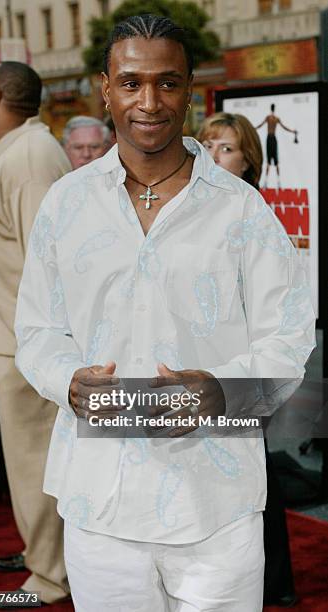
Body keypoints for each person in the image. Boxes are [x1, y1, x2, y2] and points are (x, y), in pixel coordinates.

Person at [14, 15, 315, 612]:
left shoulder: (241, 209)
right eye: (130, 83)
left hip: (216, 496)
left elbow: (289, 336)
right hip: (99, 496)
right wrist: (64, 379)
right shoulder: (66, 204)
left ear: (188, 90)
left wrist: (224, 391)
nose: (148, 102)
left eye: (167, 83)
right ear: (105, 87)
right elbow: (37, 329)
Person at [198, 111, 298, 608]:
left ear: (248, 161)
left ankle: (272, 582)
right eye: (208, 144)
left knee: (254, 474)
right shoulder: (197, 206)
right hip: (206, 369)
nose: (215, 155)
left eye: (226, 148)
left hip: (243, 369)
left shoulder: (250, 209)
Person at [0, 61, 71, 606]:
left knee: (35, 464)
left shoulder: (31, 155)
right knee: (26, 467)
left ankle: (48, 579)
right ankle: (44, 562)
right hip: (12, 338)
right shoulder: (19, 150)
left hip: (26, 345)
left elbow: (51, 264)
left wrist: (40, 351)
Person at [255, 104, 298, 187]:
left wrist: (253, 128)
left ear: (270, 108)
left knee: (269, 161)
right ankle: (276, 182)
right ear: (274, 109)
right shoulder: (276, 119)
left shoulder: (268, 118)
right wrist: (292, 131)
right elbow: (284, 127)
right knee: (275, 161)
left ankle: (267, 182)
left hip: (269, 139)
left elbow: (260, 125)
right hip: (273, 139)